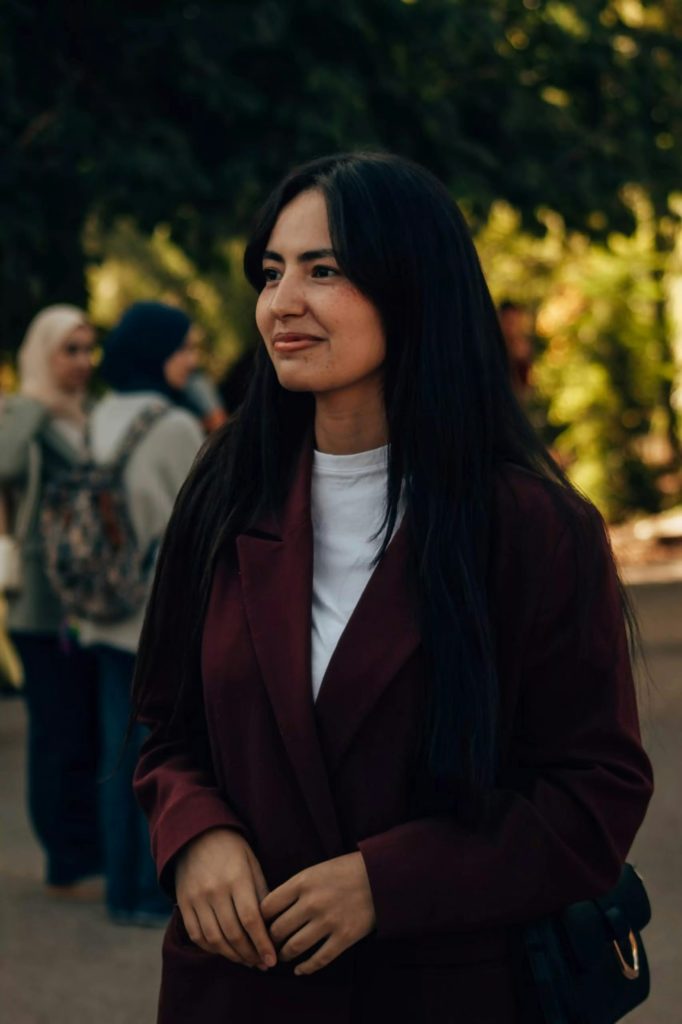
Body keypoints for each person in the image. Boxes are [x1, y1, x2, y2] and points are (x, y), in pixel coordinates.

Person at [132, 155, 653, 1023]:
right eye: (272, 272)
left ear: (413, 286)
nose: (282, 302)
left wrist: (388, 882)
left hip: (441, 986)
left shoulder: (533, 527)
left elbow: (593, 793)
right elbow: (165, 721)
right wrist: (195, 835)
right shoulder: (228, 483)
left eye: (324, 269)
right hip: (236, 991)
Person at [78, 300, 205, 926]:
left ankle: (118, 889)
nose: (194, 359)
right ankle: (152, 892)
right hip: (156, 619)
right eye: (185, 347)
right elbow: (202, 520)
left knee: (114, 751)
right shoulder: (175, 425)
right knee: (157, 758)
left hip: (103, 609)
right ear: (158, 352)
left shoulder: (99, 414)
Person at [0, 305, 101, 894]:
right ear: (44, 352)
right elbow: (6, 465)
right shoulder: (26, 412)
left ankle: (89, 845)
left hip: (91, 598)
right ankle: (64, 853)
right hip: (41, 603)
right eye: (70, 350)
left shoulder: (90, 414)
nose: (83, 362)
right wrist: (35, 406)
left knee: (87, 726)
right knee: (56, 731)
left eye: (89, 350)